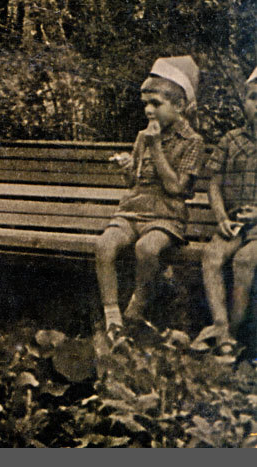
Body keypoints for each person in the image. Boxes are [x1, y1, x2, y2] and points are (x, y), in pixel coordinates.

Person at [95, 55, 204, 338]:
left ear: (179, 106)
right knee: (105, 245)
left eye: (156, 103)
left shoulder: (192, 142)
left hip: (166, 215)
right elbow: (134, 181)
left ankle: (137, 307)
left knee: (147, 249)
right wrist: (127, 168)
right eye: (145, 103)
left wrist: (156, 146)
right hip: (134, 208)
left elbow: (177, 188)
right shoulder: (144, 137)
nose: (148, 110)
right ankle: (112, 318)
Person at [191, 67, 257, 356]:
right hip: (233, 222)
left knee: (244, 261)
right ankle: (222, 329)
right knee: (212, 256)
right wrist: (220, 217)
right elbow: (214, 183)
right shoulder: (231, 139)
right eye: (254, 98)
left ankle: (234, 331)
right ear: (245, 102)